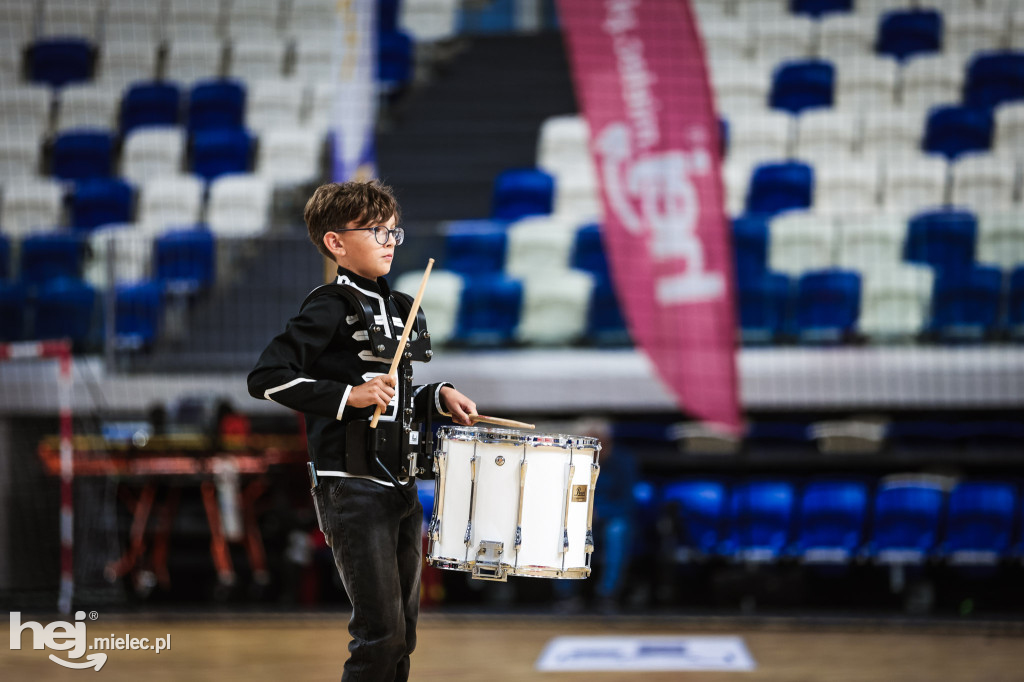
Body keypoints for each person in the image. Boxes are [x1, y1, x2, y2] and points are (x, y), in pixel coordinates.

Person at [247, 180, 477, 682]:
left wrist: (435, 397)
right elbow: (267, 378)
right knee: (380, 634)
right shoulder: (329, 303)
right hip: (350, 487)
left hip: (401, 487)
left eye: (394, 230)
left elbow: (392, 398)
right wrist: (349, 396)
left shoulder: (398, 307)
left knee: (404, 634)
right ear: (335, 242)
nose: (391, 240)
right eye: (376, 231)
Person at [553, 418, 638, 614]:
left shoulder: (624, 462)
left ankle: (607, 595)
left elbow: (628, 501)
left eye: (601, 443)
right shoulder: (571, 461)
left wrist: (601, 512)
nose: (597, 449)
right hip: (578, 519)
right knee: (565, 529)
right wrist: (580, 515)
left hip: (611, 518)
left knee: (618, 531)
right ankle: (566, 595)